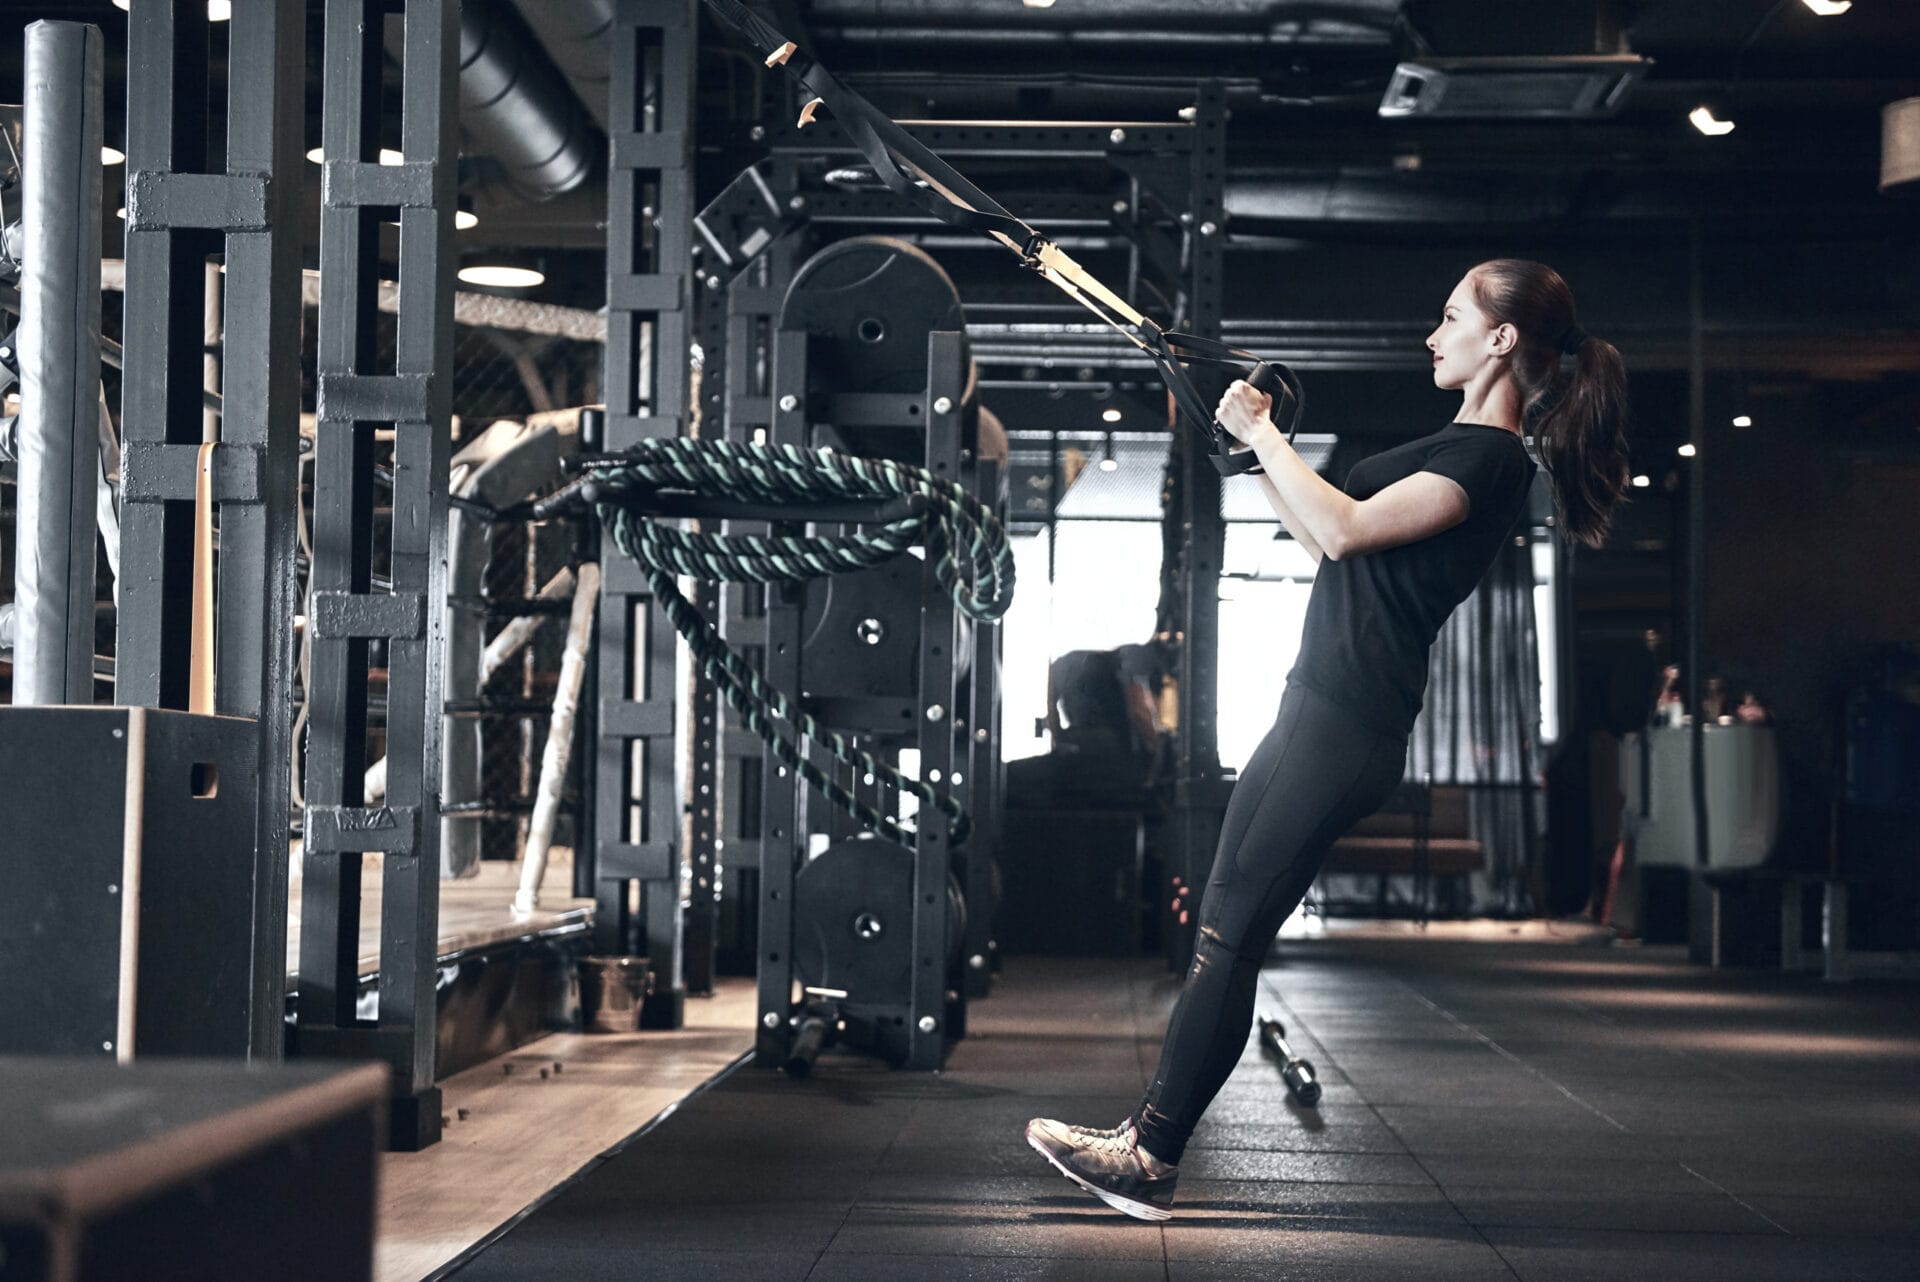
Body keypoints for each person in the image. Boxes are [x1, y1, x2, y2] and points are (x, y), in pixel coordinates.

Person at [1024, 258, 1633, 1221]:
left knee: (1227, 942)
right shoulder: (1457, 442)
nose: (1433, 335)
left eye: (1450, 317)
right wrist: (1255, 454)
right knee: (1220, 936)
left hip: (1344, 725)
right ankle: (1146, 1143)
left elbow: (1345, 531)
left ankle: (1149, 1155)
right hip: (1317, 709)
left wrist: (1265, 435)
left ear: (1502, 340)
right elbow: (1323, 545)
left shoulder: (1493, 462)